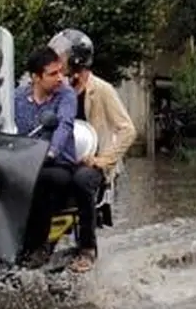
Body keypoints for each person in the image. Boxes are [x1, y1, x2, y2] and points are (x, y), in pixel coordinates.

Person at [48, 28, 136, 273]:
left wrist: (103, 160)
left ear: (77, 59)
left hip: (93, 163)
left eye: (62, 57)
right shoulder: (58, 90)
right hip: (64, 160)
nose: (58, 62)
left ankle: (87, 248)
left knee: (81, 181)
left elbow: (128, 130)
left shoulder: (103, 90)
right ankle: (40, 245)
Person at [14, 45, 78, 268]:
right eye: (53, 74)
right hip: (23, 163)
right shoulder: (17, 98)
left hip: (57, 163)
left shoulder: (66, 95)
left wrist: (50, 151)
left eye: (60, 72)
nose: (60, 78)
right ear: (35, 77)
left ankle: (38, 245)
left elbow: (65, 124)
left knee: (43, 181)